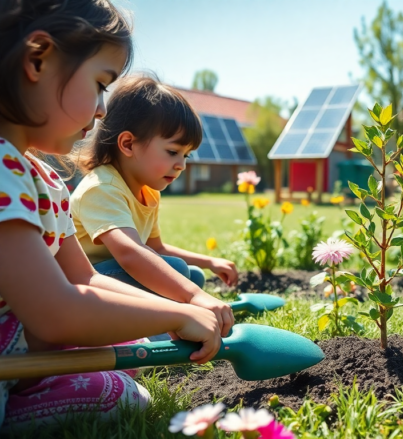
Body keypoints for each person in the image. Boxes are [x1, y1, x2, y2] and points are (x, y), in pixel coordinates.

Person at [0, 0, 221, 429]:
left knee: (133, 353)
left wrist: (184, 306)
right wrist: (176, 313)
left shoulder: (42, 177)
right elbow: (54, 312)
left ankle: (28, 390)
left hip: (24, 340)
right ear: (37, 60)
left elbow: (84, 279)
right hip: (26, 334)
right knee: (122, 395)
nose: (103, 108)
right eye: (100, 83)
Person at [70, 75, 237, 338]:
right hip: (84, 290)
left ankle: (171, 322)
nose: (182, 164)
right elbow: (131, 254)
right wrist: (194, 296)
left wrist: (209, 262)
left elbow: (156, 248)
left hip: (118, 281)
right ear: (127, 144)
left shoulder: (147, 191)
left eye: (186, 155)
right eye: (172, 152)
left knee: (192, 274)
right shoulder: (101, 188)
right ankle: (161, 332)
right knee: (181, 275)